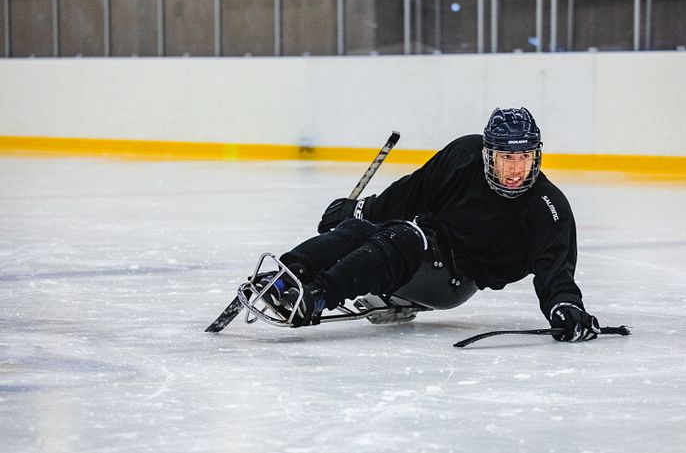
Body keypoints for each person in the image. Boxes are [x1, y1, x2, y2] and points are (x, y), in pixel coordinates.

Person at [254, 107, 601, 342]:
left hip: (453, 282)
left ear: (536, 155)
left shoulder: (547, 205)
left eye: (524, 157)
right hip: (426, 243)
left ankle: (316, 297)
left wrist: (565, 307)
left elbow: (555, 270)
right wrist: (358, 210)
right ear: (488, 154)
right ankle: (287, 277)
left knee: (403, 237)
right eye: (506, 157)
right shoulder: (464, 155)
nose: (515, 169)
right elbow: (412, 191)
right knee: (363, 232)